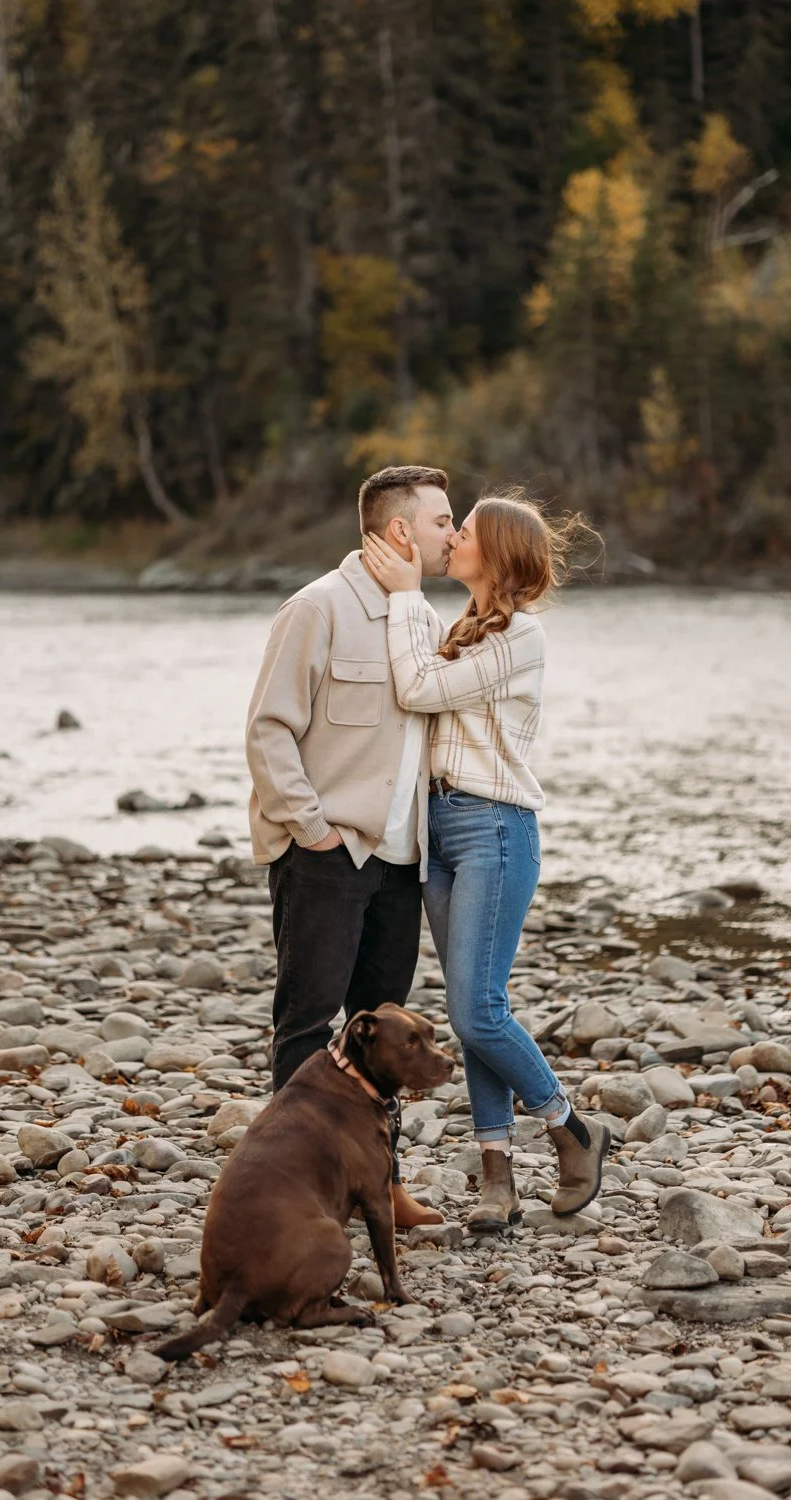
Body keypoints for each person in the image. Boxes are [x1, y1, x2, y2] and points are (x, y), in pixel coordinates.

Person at [362, 494, 610, 1233]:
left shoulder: (522, 637)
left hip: (494, 828)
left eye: (463, 531)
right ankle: (496, 1176)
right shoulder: (465, 627)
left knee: (477, 1009)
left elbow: (420, 688)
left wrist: (404, 598)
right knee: (474, 1015)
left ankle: (573, 1130)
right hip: (440, 830)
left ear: (495, 553)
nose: (452, 537)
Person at [245, 464, 456, 1229]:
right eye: (442, 521)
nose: (453, 534)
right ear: (399, 530)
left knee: (386, 1036)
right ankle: (291, 1190)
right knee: (308, 1022)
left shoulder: (423, 618)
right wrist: (314, 829)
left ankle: (382, 1186)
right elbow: (269, 729)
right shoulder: (316, 609)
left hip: (404, 863)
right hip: (328, 854)